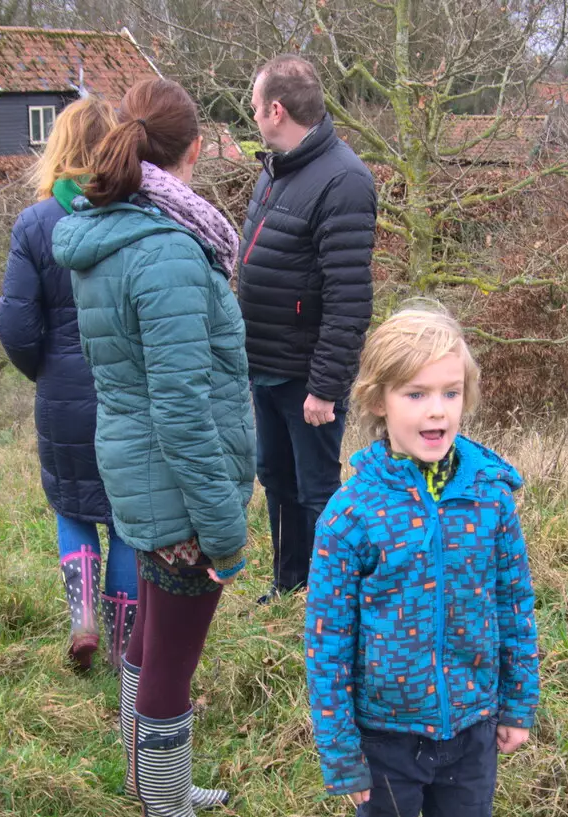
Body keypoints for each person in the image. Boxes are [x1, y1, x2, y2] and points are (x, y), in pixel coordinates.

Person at [304, 305, 538, 817]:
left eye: (449, 393)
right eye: (416, 394)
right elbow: (326, 640)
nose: (436, 411)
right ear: (378, 400)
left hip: (470, 726)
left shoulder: (491, 498)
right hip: (385, 737)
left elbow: (514, 603)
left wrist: (516, 703)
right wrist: (342, 750)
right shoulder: (352, 512)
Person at [54, 79, 253, 817]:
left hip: (142, 474)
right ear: (194, 151)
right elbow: (182, 409)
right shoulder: (166, 251)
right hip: (177, 488)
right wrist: (226, 529)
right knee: (172, 655)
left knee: (147, 643)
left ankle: (155, 781)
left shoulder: (112, 230)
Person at [0, 97, 138, 671]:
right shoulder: (136, 216)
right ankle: (126, 642)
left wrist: (47, 371)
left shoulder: (35, 224)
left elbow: (15, 325)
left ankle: (82, 620)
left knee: (72, 505)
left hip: (62, 397)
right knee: (127, 516)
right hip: (127, 395)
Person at [238, 54, 377, 600]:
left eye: (254, 106)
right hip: (265, 367)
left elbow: (349, 298)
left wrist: (325, 386)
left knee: (317, 489)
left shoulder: (343, 179)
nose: (252, 115)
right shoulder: (278, 167)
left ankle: (331, 600)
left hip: (305, 376)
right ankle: (288, 586)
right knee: (275, 478)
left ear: (276, 109)